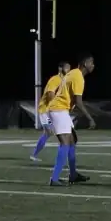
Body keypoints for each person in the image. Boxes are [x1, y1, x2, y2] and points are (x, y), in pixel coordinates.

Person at [47, 54, 95, 186]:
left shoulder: (73, 73)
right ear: (85, 63)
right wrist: (89, 118)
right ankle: (54, 178)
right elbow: (79, 102)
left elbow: (71, 98)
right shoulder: (78, 76)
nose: (93, 65)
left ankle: (73, 174)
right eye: (91, 62)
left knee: (73, 140)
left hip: (60, 110)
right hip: (58, 110)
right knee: (65, 143)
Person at [30, 62, 71, 162]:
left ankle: (35, 154)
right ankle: (35, 154)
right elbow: (50, 94)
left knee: (57, 132)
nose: (69, 70)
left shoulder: (64, 81)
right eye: (67, 68)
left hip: (53, 110)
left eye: (69, 68)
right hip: (46, 109)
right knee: (50, 131)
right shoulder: (55, 79)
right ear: (60, 68)